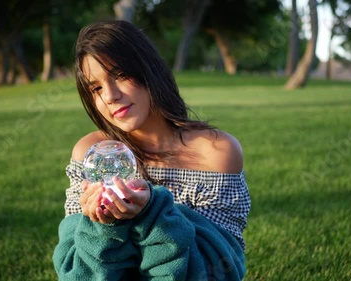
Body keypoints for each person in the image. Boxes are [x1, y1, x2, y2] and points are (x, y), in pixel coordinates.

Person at [53, 20, 251, 280]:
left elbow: (219, 270)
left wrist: (153, 212)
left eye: (120, 74)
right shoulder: (91, 156)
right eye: (96, 88)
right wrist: (102, 227)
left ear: (149, 70)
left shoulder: (216, 153)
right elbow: (76, 273)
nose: (110, 96)